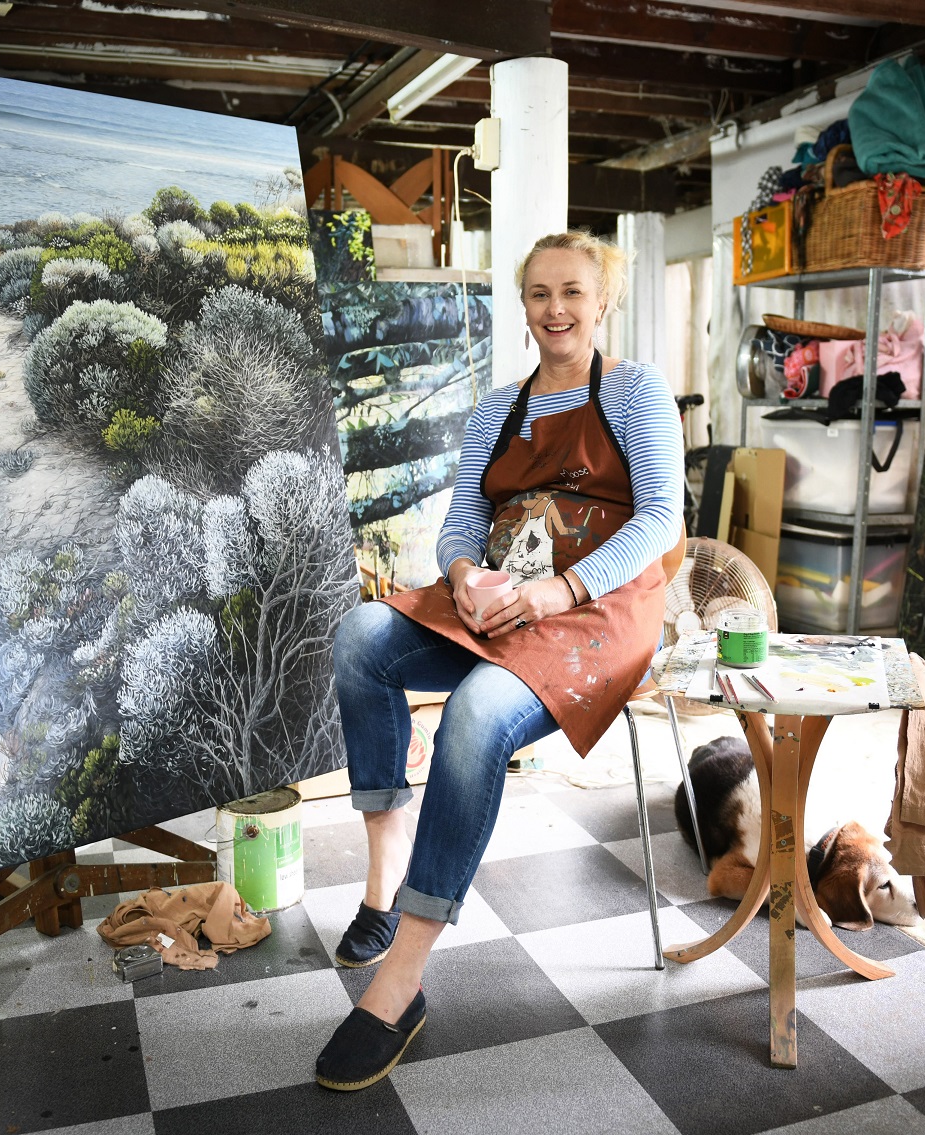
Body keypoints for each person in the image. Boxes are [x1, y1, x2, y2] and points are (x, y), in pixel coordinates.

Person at [315, 230, 685, 1092]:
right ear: (522, 306)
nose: (555, 309)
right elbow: (459, 524)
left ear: (604, 302)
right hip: (503, 598)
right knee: (361, 638)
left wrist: (561, 591)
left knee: (478, 712)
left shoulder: (633, 391)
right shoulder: (498, 408)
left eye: (572, 292)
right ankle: (383, 875)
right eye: (538, 293)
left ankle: (399, 979)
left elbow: (661, 518)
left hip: (597, 611)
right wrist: (464, 575)